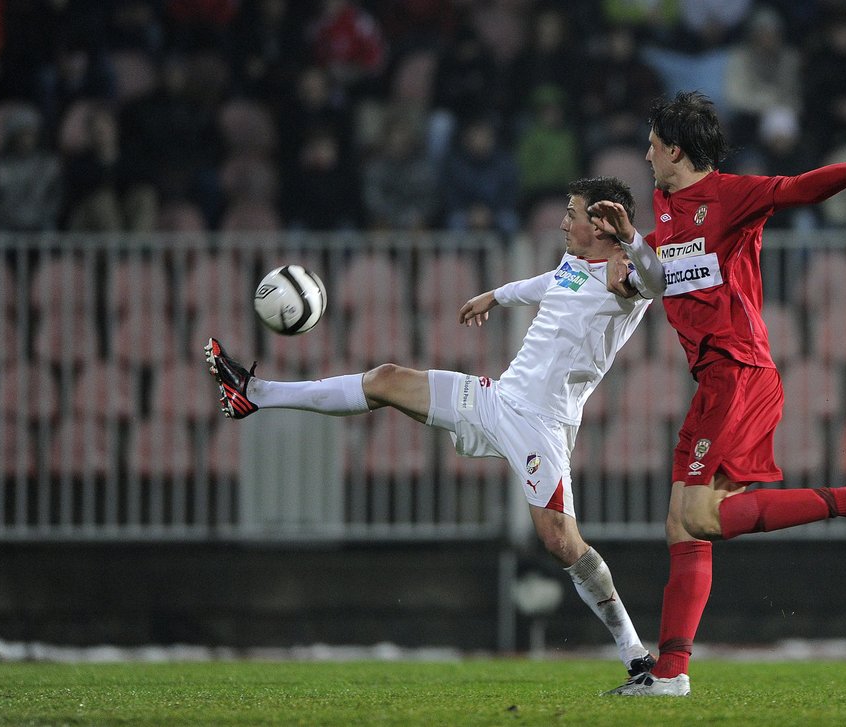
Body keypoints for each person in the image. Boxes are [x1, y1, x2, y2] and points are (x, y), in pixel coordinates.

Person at [205, 177, 666, 678]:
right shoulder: (575, 265)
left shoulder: (625, 275)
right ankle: (254, 394)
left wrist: (634, 238)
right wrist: (496, 295)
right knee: (386, 379)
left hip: (543, 424)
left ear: (602, 224)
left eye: (572, 212)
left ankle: (635, 654)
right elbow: (549, 285)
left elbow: (657, 282)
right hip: (497, 399)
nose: (561, 221)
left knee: (561, 543)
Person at [589, 91, 846, 697]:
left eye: (652, 144)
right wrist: (630, 257)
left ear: (675, 149)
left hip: (737, 371)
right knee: (683, 526)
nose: (645, 154)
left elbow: (798, 188)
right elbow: (658, 278)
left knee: (695, 517)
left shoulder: (729, 196)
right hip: (719, 377)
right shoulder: (665, 204)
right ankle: (670, 675)